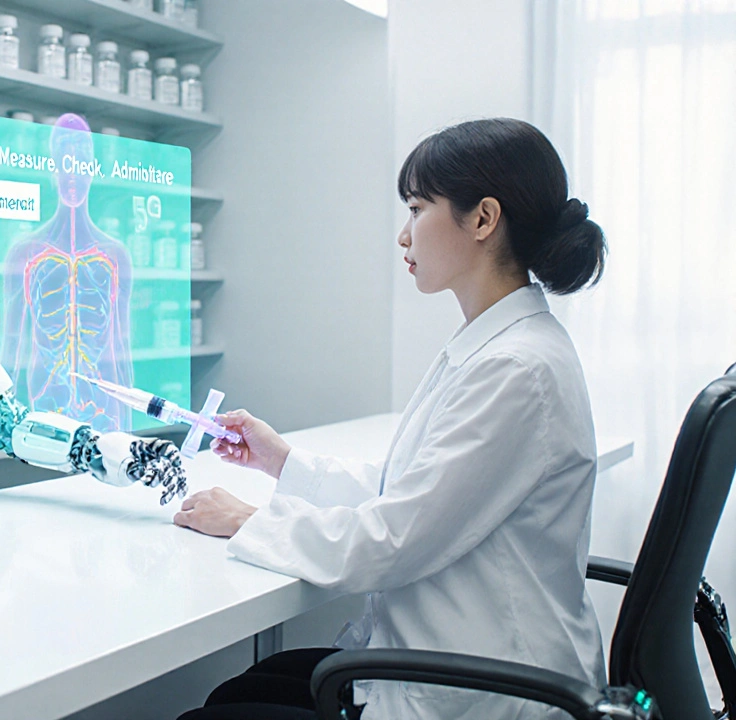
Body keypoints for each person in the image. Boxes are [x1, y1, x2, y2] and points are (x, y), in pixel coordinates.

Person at [173, 118, 608, 720]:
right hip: (455, 659)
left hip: (488, 692)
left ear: (483, 219)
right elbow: (410, 495)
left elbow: (391, 541)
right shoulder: (493, 348)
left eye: (417, 208)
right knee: (238, 693)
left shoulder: (516, 368)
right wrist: (283, 460)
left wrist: (248, 519)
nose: (404, 237)